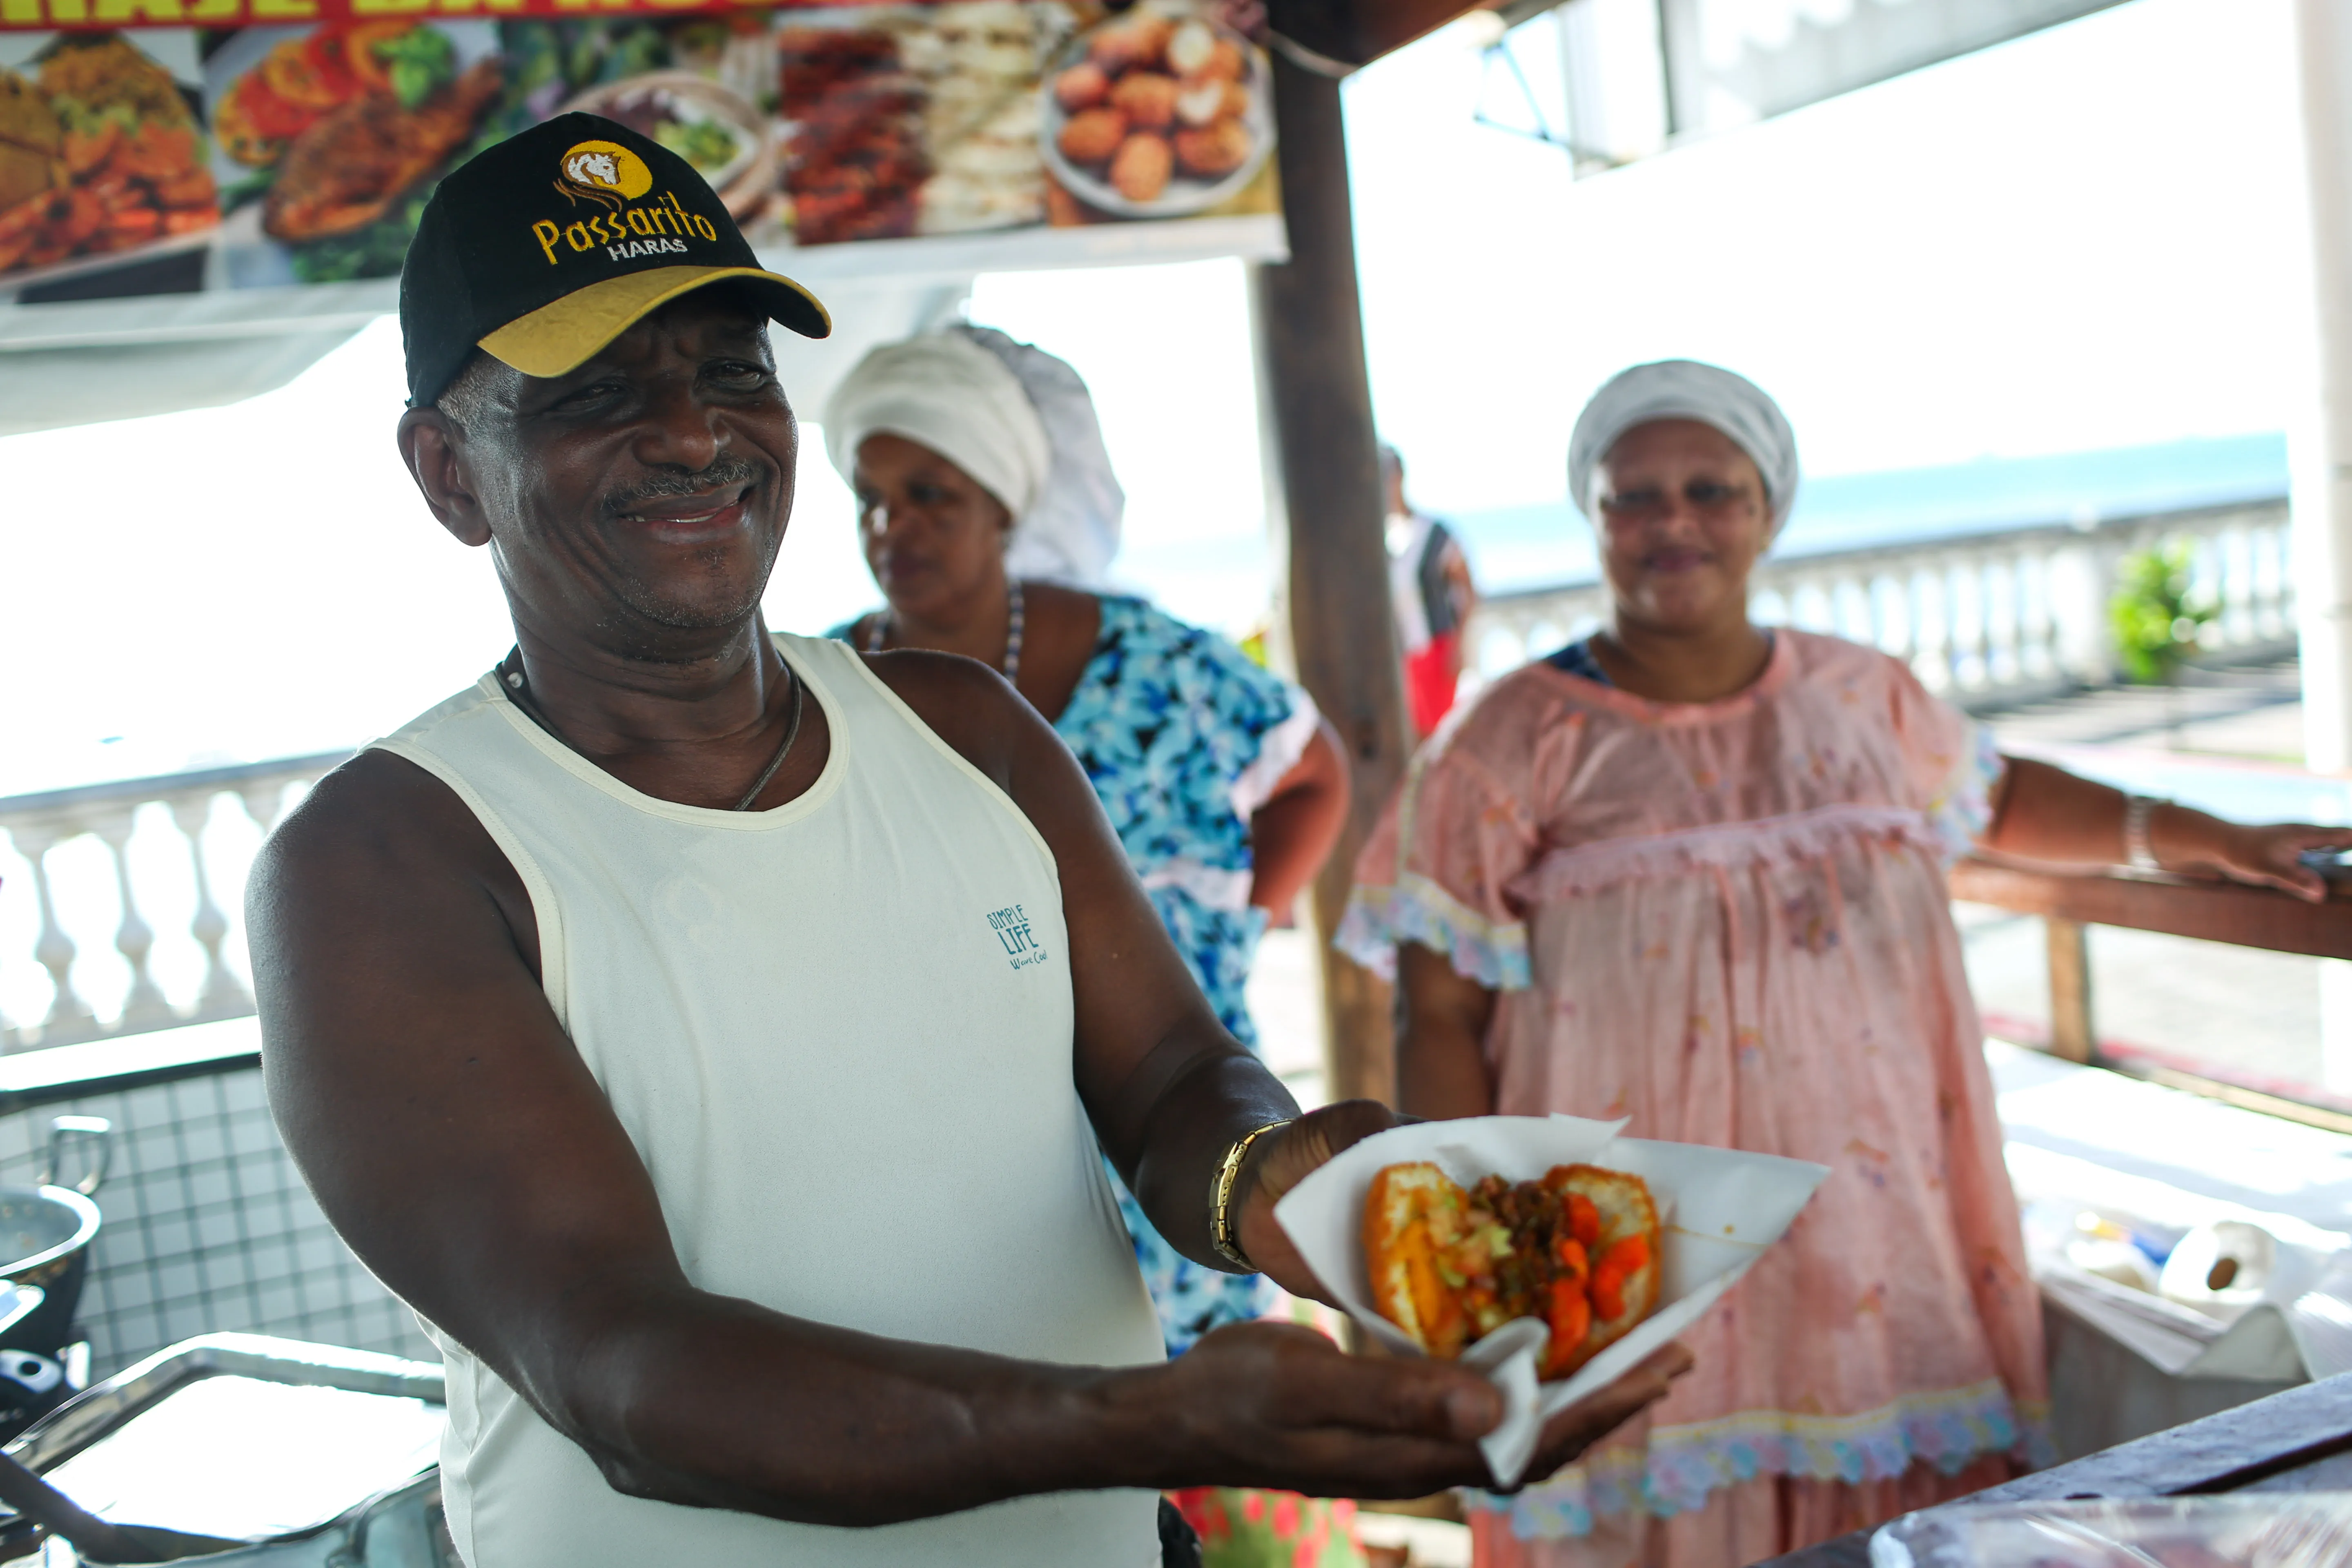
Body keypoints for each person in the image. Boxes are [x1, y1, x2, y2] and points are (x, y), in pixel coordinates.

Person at [246, 115, 1690, 1568]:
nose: (693, 431)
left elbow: (1176, 1081)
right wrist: (1161, 1423)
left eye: (732, 371)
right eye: (598, 392)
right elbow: (620, 1365)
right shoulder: (383, 867)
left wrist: (1277, 1189)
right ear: (446, 472)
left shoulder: (960, 726)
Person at [1339, 359, 2352, 1568]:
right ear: (1594, 519)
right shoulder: (1512, 740)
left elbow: (2001, 794)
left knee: (1896, 1525)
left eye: (1710, 489)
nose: (1672, 522)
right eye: (1633, 497)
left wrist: (2212, 837)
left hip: (1873, 1239)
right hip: (1625, 1251)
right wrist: (1468, 1271)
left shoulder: (1860, 697)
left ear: (1770, 509)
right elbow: (1437, 1009)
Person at [821, 328, 1361, 1566]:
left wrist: (1243, 910)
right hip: (959, 1126)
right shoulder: (831, 684)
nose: (893, 525)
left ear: (1006, 504)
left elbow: (1317, 771)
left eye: (930, 494)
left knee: (1214, 1433)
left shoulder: (1157, 660)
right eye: (872, 497)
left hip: (1168, 1091)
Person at [1383, 444, 1477, 739]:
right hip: (1402, 657)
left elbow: (1468, 590)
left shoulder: (1435, 533)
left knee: (1440, 736)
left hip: (1436, 651)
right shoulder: (1379, 541)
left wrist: (1460, 645)